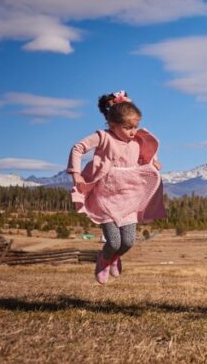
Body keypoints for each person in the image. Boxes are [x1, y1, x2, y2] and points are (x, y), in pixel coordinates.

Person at [67, 90, 165, 284]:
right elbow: (78, 148)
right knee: (113, 242)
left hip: (129, 197)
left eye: (135, 126)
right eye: (128, 128)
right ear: (113, 125)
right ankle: (104, 260)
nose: (133, 131)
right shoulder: (103, 137)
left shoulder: (137, 139)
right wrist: (75, 172)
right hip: (105, 198)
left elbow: (147, 153)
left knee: (128, 242)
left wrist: (154, 162)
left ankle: (114, 258)